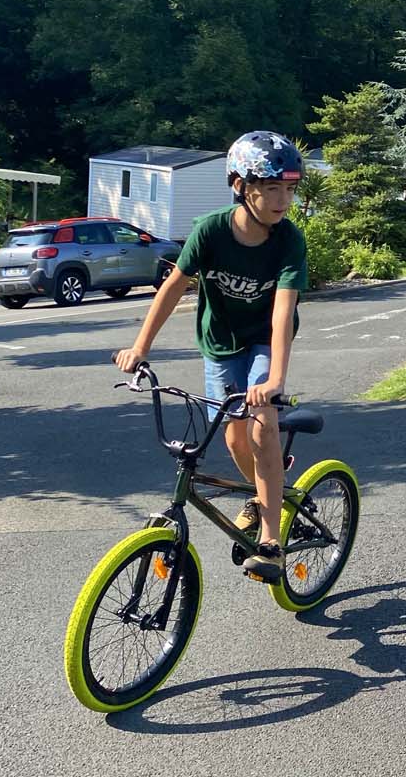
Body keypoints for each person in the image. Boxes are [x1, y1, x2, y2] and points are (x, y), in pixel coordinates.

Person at [113, 131, 307, 583]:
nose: (283, 200)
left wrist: (274, 380)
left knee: (262, 424)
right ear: (240, 185)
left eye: (290, 189)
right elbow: (172, 288)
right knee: (234, 439)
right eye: (272, 188)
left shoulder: (288, 241)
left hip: (264, 340)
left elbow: (283, 312)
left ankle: (272, 541)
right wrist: (140, 348)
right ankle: (264, 493)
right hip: (220, 342)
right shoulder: (211, 231)